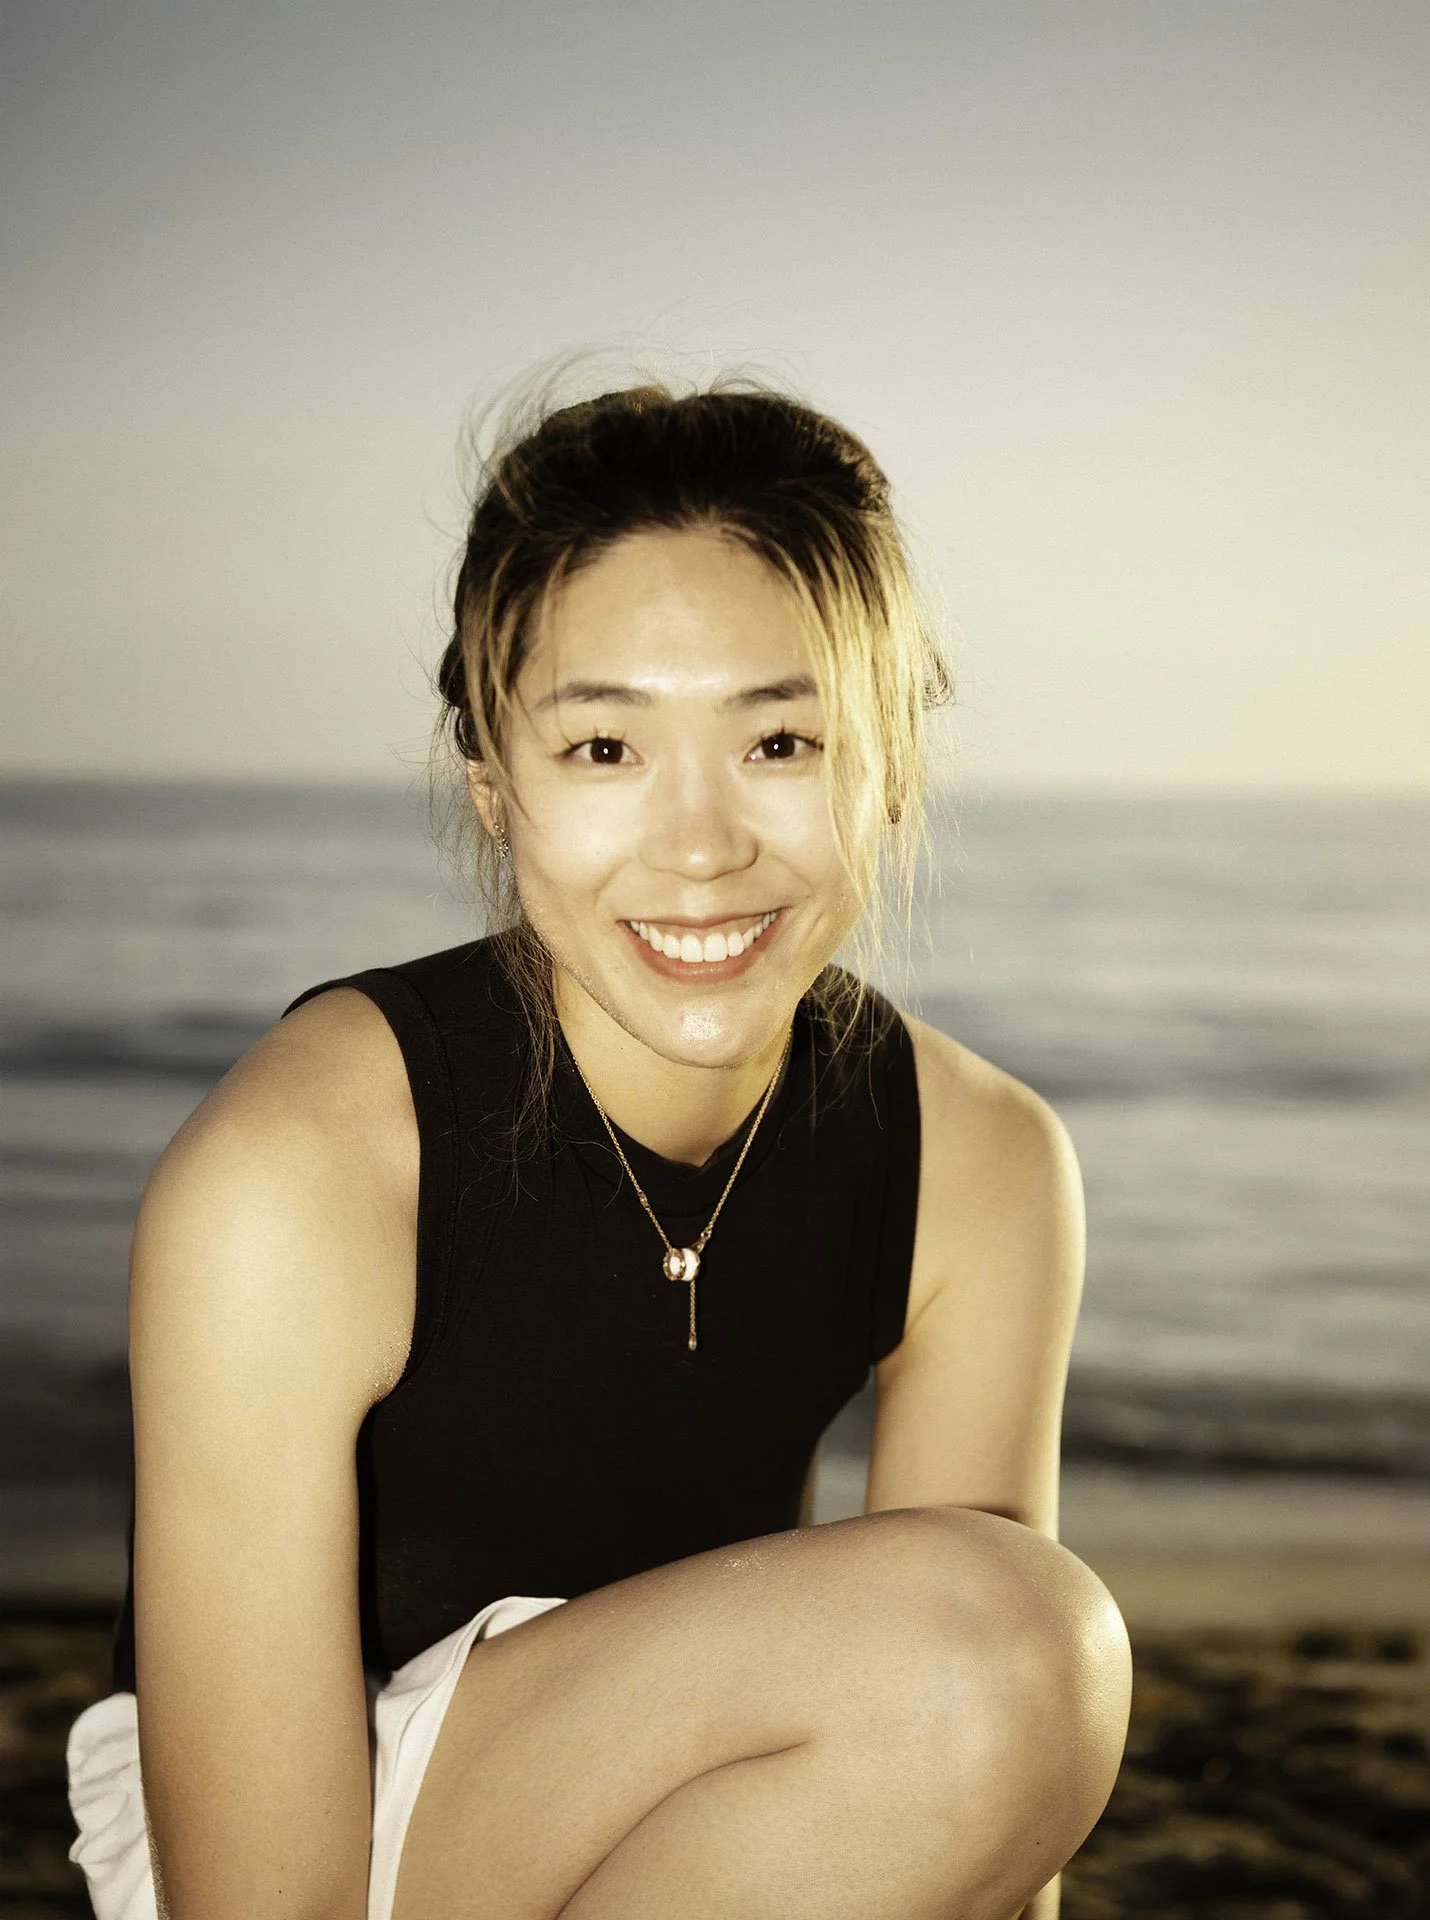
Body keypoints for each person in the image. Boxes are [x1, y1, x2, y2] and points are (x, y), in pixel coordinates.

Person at [66, 377, 1132, 1920]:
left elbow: (991, 1811)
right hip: (300, 1814)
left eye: (781, 740)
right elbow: (261, 1895)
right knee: (996, 1642)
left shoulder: (980, 1161)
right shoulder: (302, 1162)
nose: (699, 847)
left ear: (888, 765)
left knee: (1014, 1668)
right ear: (494, 788)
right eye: (604, 753)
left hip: (705, 1803)